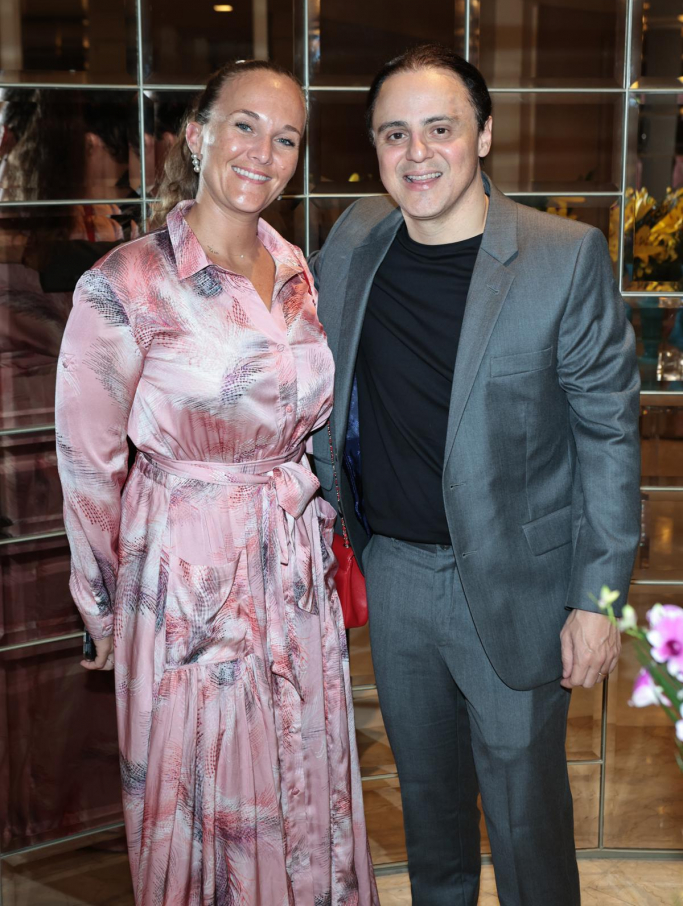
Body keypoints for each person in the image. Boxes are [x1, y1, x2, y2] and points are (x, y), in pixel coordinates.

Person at [309, 45, 641, 906]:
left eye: (440, 129)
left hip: (519, 587)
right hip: (396, 575)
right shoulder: (353, 240)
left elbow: (608, 438)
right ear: (374, 148)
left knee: (527, 826)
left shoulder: (561, 257)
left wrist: (598, 603)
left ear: (484, 135)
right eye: (394, 134)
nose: (416, 154)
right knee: (430, 819)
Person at [56, 60, 378, 906]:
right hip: (187, 579)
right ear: (197, 136)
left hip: (292, 571)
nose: (262, 152)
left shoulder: (296, 269)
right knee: (210, 796)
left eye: (286, 138)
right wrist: (100, 604)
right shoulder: (124, 283)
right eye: (244, 126)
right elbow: (88, 461)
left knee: (302, 771)